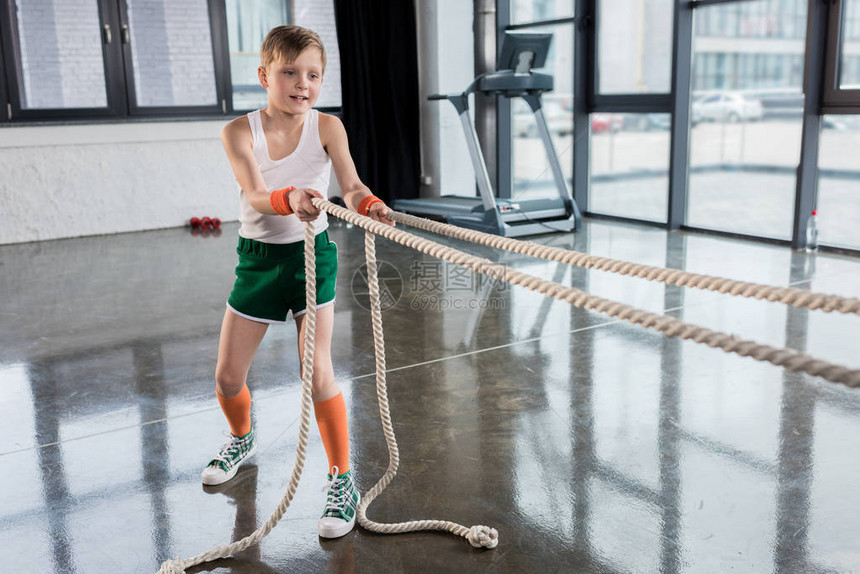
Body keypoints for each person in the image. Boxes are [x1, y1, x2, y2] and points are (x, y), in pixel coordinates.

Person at [202, 25, 394, 540]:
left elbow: (350, 186)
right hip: (260, 260)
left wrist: (369, 204)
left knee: (319, 374)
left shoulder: (329, 127)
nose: (301, 83)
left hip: (315, 258)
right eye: (289, 72)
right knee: (226, 378)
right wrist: (292, 198)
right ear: (264, 75)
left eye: (313, 74)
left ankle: (341, 479)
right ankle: (241, 438)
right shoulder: (239, 132)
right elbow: (257, 194)